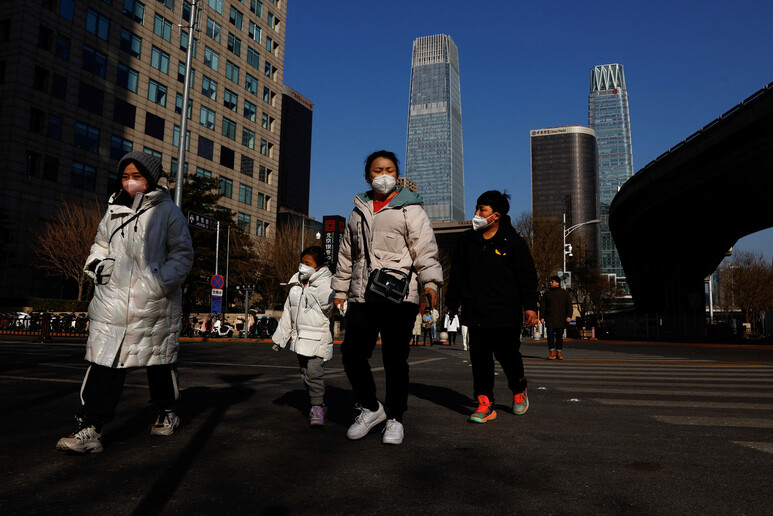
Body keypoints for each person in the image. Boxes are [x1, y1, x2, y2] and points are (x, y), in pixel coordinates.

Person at [56, 152, 193, 453]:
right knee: (104, 361)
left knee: (158, 361)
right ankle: (90, 428)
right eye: (125, 176)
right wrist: (96, 264)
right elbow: (100, 242)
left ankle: (167, 412)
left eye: (137, 175)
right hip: (112, 302)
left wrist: (157, 283)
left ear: (150, 179)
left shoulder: (168, 212)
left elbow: (182, 255)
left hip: (153, 304)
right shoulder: (113, 210)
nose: (130, 181)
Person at [332, 150, 443, 445]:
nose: (384, 174)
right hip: (362, 296)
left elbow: (425, 247)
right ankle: (371, 408)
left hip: (399, 295)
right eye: (378, 169)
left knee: (395, 360)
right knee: (352, 354)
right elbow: (347, 254)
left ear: (397, 174)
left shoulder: (410, 208)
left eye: (390, 169)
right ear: (368, 175)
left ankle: (395, 418)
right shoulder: (358, 210)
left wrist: (430, 282)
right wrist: (340, 290)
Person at [445, 190, 538, 424]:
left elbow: (527, 276)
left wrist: (530, 306)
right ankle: (485, 403)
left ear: (495, 215)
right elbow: (456, 274)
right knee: (480, 359)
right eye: (477, 208)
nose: (476, 213)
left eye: (482, 210)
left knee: (508, 355)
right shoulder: (467, 240)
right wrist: (452, 302)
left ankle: (519, 389)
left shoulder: (513, 241)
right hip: (476, 310)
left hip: (505, 311)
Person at [272, 246, 335, 426]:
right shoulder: (297, 285)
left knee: (314, 374)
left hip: (318, 340)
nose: (302, 267)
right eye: (302, 262)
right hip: (300, 340)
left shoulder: (326, 283)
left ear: (319, 266)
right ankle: (318, 401)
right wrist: (280, 338)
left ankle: (316, 407)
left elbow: (330, 307)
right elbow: (287, 313)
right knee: (305, 374)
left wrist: (336, 296)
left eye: (307, 263)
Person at [540, 275, 573, 360]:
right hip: (550, 318)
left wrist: (569, 316)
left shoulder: (564, 293)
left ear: (557, 283)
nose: (550, 283)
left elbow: (569, 306)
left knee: (559, 336)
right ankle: (552, 352)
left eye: (552, 281)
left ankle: (559, 352)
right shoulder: (547, 293)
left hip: (561, 319)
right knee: (550, 335)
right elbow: (543, 306)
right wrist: (542, 317)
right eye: (550, 281)